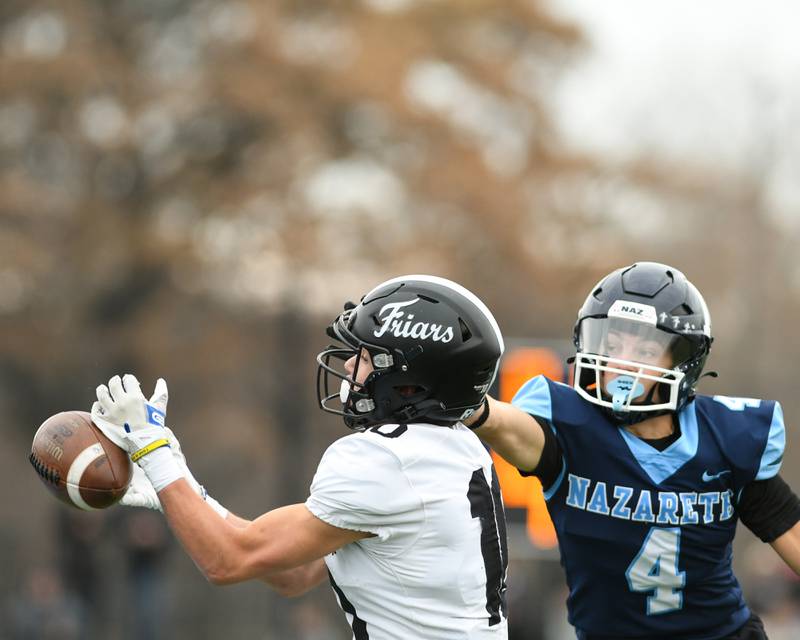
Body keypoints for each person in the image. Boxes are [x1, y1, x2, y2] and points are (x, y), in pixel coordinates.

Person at [91, 275, 510, 639]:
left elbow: (227, 560)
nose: (348, 367)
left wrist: (154, 451)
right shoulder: (456, 447)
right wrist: (180, 490)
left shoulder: (387, 460)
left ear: (406, 381)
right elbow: (294, 572)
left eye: (364, 356)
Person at [466, 261, 800, 640]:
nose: (622, 361)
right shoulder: (571, 428)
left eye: (644, 348)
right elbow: (514, 429)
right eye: (612, 344)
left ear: (683, 359)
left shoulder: (725, 438)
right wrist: (473, 407)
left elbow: (787, 526)